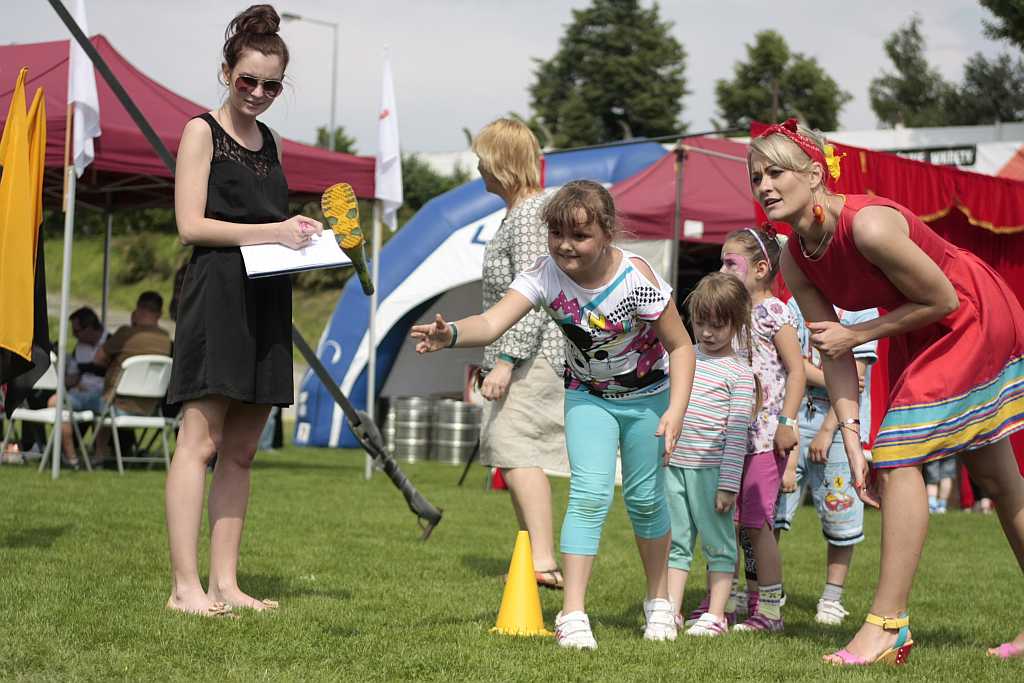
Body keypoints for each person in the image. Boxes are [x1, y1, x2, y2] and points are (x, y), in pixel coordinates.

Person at [751, 118, 1024, 664]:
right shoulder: (793, 255)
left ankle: (887, 624)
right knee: (995, 474)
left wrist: (861, 331)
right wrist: (853, 437)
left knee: (899, 456)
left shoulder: (868, 225)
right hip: (911, 325)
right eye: (756, 176)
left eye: (776, 172)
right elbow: (833, 348)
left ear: (813, 173)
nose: (763, 186)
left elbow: (943, 299)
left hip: (967, 314)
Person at [412, 180, 695, 649]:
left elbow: (681, 345)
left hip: (649, 398)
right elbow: (493, 322)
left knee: (645, 500)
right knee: (589, 494)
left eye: (579, 236)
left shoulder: (637, 279)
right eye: (556, 233)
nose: (565, 245)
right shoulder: (544, 274)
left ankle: (658, 601)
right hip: (587, 396)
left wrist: (677, 412)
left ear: (606, 233)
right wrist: (453, 333)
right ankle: (572, 613)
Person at [164, 4, 323, 617]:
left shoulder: (271, 141)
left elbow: (270, 226)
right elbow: (189, 225)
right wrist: (270, 232)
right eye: (247, 80)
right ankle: (185, 587)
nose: (258, 93)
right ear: (226, 71)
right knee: (198, 444)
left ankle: (225, 584)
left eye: (271, 85)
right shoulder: (200, 130)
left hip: (265, 300)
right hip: (216, 298)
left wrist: (299, 234)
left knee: (242, 451)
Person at [473, 118, 568, 589]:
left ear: (501, 163)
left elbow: (535, 291)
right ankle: (533, 554)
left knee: (517, 453)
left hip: (534, 357)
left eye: (483, 159)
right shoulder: (522, 212)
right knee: (510, 454)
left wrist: (507, 361)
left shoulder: (532, 214)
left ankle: (544, 559)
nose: (478, 167)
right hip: (522, 354)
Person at [716, 226, 804, 633]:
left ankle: (770, 611)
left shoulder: (775, 312)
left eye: (730, 263)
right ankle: (731, 601)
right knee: (729, 522)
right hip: (733, 438)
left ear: (762, 268)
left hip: (766, 438)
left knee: (755, 524)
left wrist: (787, 424)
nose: (722, 269)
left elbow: (797, 370)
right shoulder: (732, 314)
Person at [774, 299, 878, 626]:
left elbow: (855, 387)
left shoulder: (862, 310)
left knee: (841, 511)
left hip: (836, 426)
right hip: (792, 415)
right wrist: (830, 377)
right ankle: (767, 591)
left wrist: (826, 430)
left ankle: (832, 598)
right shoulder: (795, 303)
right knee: (770, 510)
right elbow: (791, 363)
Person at [666, 273, 756, 637]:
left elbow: (737, 434)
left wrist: (728, 484)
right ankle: (669, 610)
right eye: (701, 323)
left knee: (719, 544)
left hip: (712, 470)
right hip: (674, 464)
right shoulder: (683, 358)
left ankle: (716, 614)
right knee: (676, 539)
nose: (706, 333)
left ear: (736, 324)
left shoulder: (740, 374)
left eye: (717, 326)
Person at [91, 292, 172, 463]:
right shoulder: (165, 339)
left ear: (138, 309)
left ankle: (95, 453)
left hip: (116, 405)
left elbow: (98, 358)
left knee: (68, 400)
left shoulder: (126, 333)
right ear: (159, 313)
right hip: (150, 409)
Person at [42, 307, 106, 466]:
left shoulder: (111, 343)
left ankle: (99, 455)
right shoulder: (79, 347)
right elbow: (71, 378)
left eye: (76, 331)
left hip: (103, 396)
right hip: (80, 394)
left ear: (90, 328)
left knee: (103, 406)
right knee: (54, 402)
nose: (73, 335)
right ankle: (71, 458)